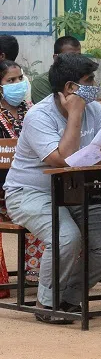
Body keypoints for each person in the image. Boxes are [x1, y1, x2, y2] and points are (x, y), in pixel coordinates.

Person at [2, 53, 101, 324]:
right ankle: (47, 304)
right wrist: (75, 113)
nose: (95, 85)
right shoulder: (39, 116)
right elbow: (62, 161)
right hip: (29, 193)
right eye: (89, 80)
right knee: (66, 237)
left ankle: (69, 295)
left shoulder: (95, 110)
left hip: (76, 192)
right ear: (71, 88)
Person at [0, 60, 43, 296]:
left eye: (19, 79)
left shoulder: (32, 109)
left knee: (50, 208)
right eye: (10, 81)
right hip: (3, 189)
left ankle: (38, 274)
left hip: (30, 182)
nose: (17, 84)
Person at [29, 36, 81, 104]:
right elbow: (50, 110)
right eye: (70, 56)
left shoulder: (81, 78)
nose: (76, 60)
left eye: (79, 56)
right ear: (56, 58)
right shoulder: (41, 82)